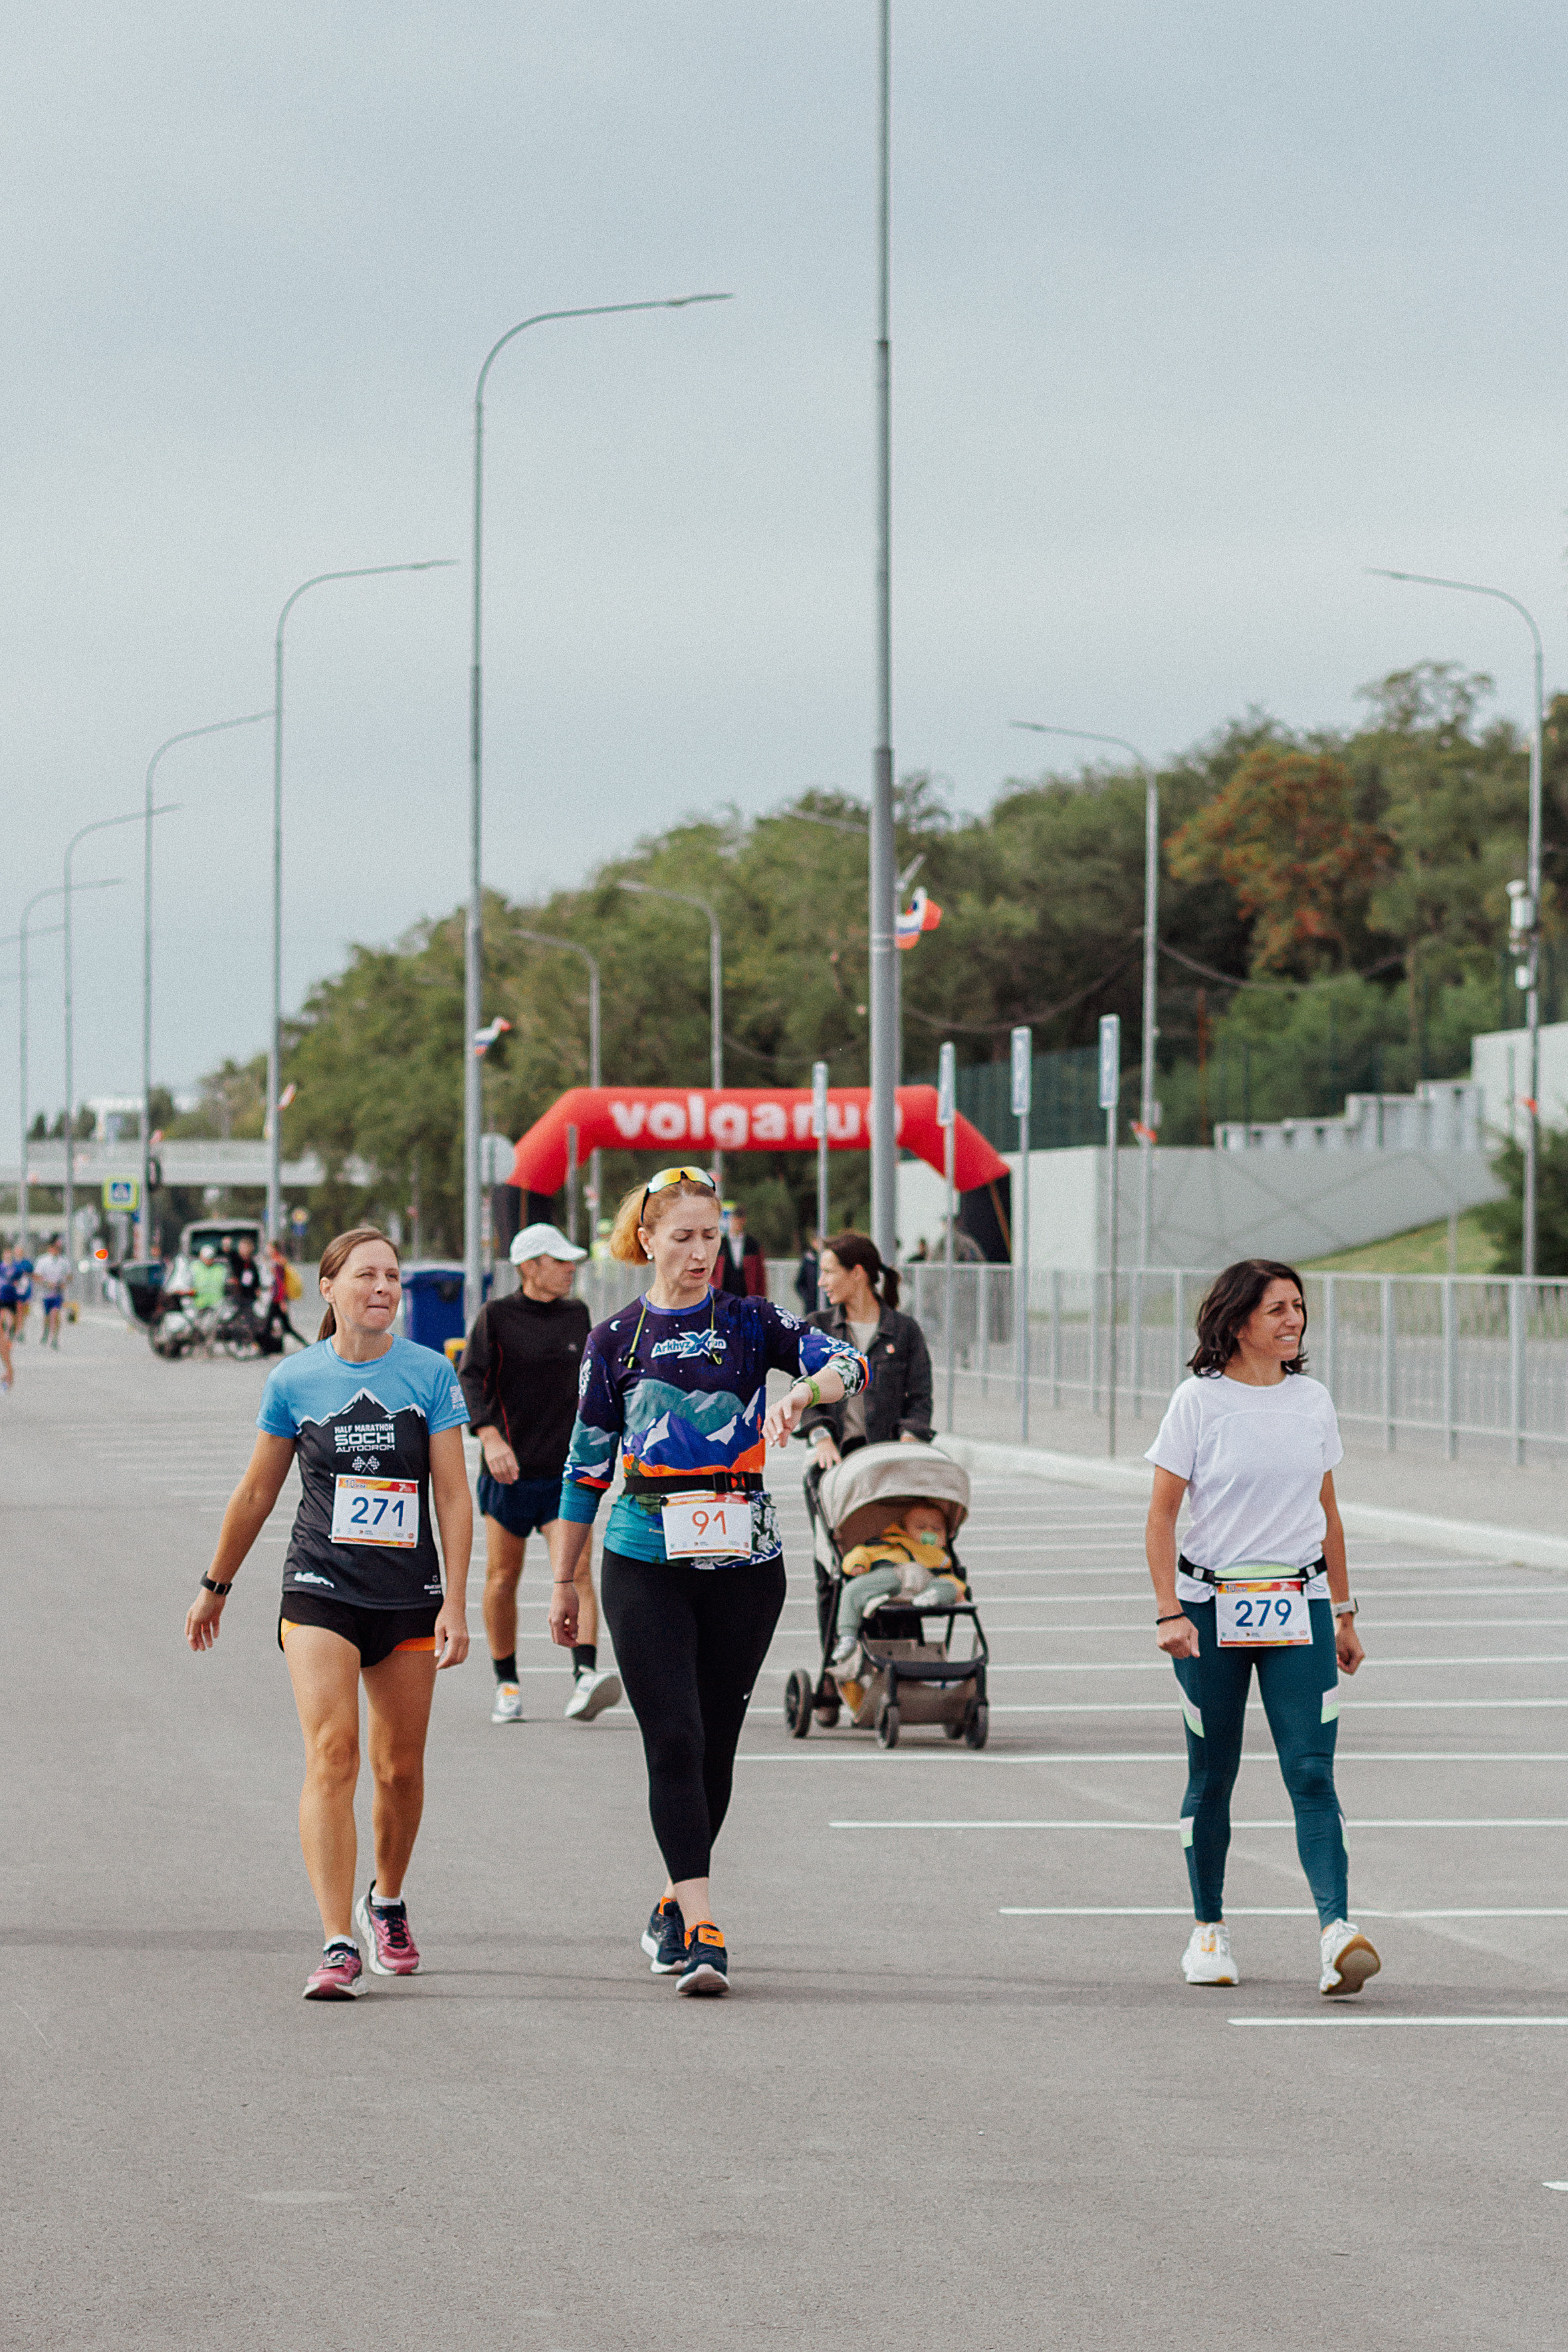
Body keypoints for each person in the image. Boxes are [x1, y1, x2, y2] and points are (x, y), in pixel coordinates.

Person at [552, 1166, 866, 1996]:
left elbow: (849, 1361)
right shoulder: (614, 1340)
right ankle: (702, 1929)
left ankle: (670, 1898)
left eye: (711, 1236)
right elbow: (584, 1466)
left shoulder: (753, 1319)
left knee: (716, 1746)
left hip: (746, 1561)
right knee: (676, 1738)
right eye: (683, 1236)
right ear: (646, 1239)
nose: (700, 1253)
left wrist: (805, 1390)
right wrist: (562, 1580)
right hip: (644, 1557)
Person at [183, 1226, 472, 2000]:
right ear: (330, 1288)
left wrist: (455, 1599)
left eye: (394, 1276)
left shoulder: (429, 1375)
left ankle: (388, 1900)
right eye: (367, 1275)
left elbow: (452, 1493)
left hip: (408, 1594)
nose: (383, 1287)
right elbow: (256, 1493)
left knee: (398, 1767)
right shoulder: (293, 1380)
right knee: (334, 1753)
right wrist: (216, 1584)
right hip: (320, 1586)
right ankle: (338, 1939)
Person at [1144, 1258, 1379, 2000]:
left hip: (1299, 1605)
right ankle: (1207, 1929)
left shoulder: (1312, 1401)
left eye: (1298, 1307)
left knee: (1311, 1771)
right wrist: (1167, 1611)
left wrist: (1342, 1611)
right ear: (1238, 1318)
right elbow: (1160, 1515)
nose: (1294, 1319)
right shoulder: (1197, 1402)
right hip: (1210, 1607)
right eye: (1277, 1308)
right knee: (1212, 1774)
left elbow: (1328, 1513)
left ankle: (1336, 1931)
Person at [457, 1219, 621, 1726]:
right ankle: (507, 1683)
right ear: (530, 1267)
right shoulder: (496, 1317)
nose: (571, 1269)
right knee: (503, 1577)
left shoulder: (578, 1315)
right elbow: (468, 1378)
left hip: (566, 1473)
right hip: (509, 1474)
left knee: (576, 1574)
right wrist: (488, 1438)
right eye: (560, 1261)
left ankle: (585, 1677)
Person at [800, 1232, 933, 1469]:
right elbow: (804, 1393)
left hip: (889, 1454)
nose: (821, 1282)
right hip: (835, 1453)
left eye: (829, 1272)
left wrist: (908, 1441)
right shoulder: (818, 1327)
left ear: (858, 1274)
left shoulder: (905, 1330)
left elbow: (920, 1399)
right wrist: (822, 1439)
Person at [830, 1498, 963, 1665]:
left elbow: (950, 1579)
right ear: (904, 1530)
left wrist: (958, 1589)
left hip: (925, 1580)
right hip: (892, 1575)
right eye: (921, 1527)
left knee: (948, 1586)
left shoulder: (939, 1557)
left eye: (936, 1529)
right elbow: (861, 1553)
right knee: (852, 1590)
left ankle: (933, 1596)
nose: (929, 1532)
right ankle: (848, 1635)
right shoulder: (887, 1545)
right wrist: (857, 1564)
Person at [711, 1199, 766, 1297]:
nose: (738, 1223)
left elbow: (760, 1277)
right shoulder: (719, 1244)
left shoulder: (753, 1245)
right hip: (723, 1295)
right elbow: (711, 1272)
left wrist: (761, 1301)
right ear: (731, 1219)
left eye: (741, 1220)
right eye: (735, 1219)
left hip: (746, 1297)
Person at [264, 1239, 307, 1351]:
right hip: (278, 1298)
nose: (267, 1250)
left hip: (278, 1300)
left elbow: (280, 1283)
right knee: (285, 1327)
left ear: (274, 1249)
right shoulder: (277, 1261)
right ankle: (306, 1344)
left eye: (269, 1248)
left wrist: (282, 1301)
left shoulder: (278, 1262)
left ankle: (265, 1349)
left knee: (269, 1325)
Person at [33, 1236, 66, 1349]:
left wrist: (64, 1283)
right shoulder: (43, 1261)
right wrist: (47, 1284)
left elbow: (69, 1276)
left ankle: (55, 1338)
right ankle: (46, 1330)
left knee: (56, 1313)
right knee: (47, 1316)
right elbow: (36, 1276)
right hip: (46, 1293)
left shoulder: (64, 1262)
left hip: (58, 1293)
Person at [793, 1231, 821, 1315]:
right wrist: (808, 1297)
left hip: (828, 1306)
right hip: (812, 1307)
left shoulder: (828, 1259)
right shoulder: (808, 1260)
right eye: (816, 1241)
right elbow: (799, 1283)